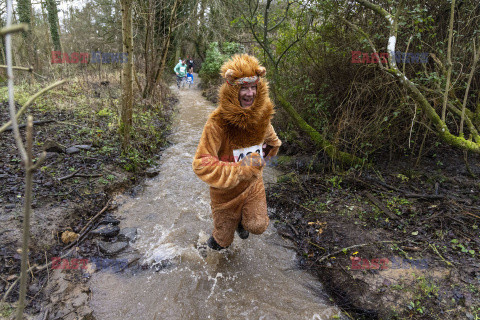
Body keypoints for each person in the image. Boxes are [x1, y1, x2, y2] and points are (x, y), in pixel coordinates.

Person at [192, 54, 282, 251]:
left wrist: (264, 155)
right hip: (225, 194)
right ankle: (206, 251)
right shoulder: (217, 122)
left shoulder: (262, 114)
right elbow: (201, 163)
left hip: (252, 185)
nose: (250, 93)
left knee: (258, 225)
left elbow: (271, 141)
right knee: (222, 242)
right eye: (243, 87)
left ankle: (242, 221)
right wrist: (239, 170)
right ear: (233, 90)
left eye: (253, 87)